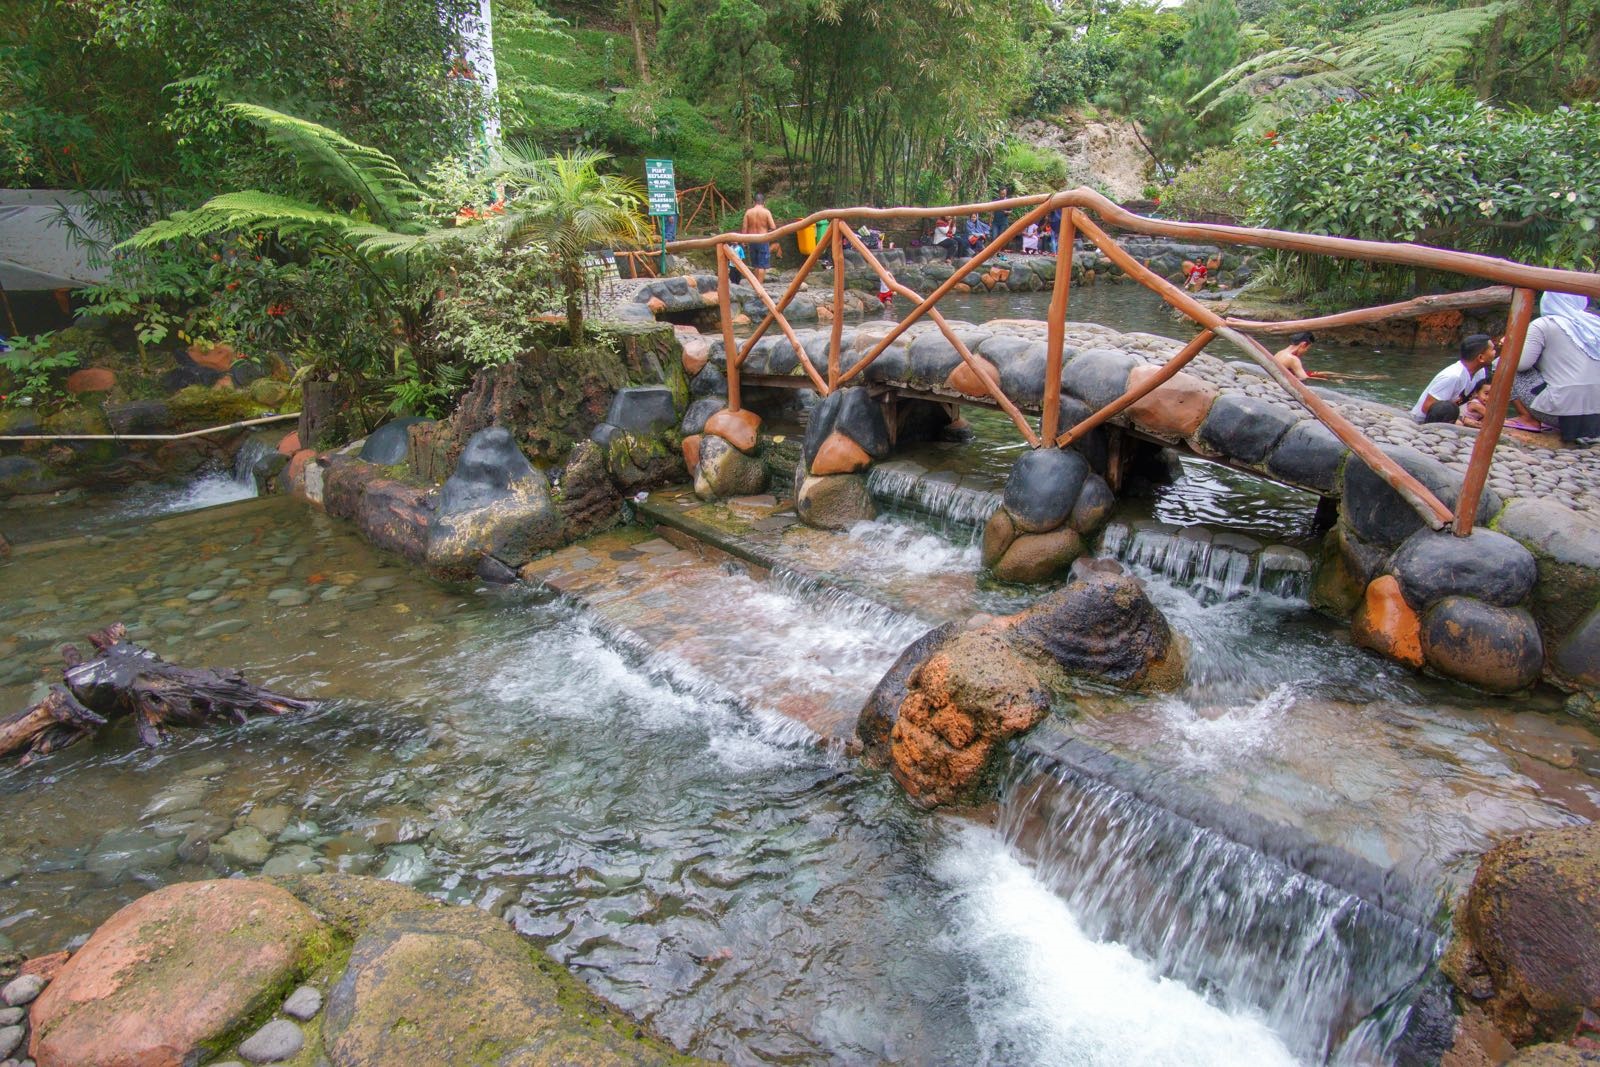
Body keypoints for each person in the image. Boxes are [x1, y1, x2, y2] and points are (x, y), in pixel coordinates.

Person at [1516, 291, 1600, 444]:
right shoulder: (1595, 324)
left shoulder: (1543, 324)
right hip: (1596, 414)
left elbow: (1521, 364)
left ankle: (1527, 419)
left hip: (1561, 414)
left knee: (1504, 362)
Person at [1411, 334, 1496, 424]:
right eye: (1492, 349)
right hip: (1424, 420)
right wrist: (1461, 420)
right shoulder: (1452, 376)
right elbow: (1427, 407)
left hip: (1453, 417)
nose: (1495, 352)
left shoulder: (1480, 372)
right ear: (1481, 358)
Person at [741, 193, 776, 284]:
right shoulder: (766, 212)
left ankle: (755, 285)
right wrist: (767, 232)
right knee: (762, 265)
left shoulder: (748, 212)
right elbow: (773, 227)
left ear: (754, 202)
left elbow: (744, 228)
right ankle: (759, 286)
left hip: (752, 239)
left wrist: (743, 240)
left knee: (756, 265)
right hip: (763, 239)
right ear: (764, 202)